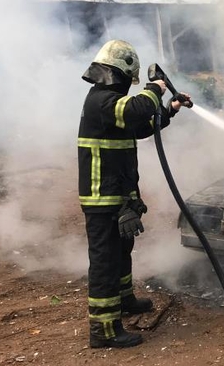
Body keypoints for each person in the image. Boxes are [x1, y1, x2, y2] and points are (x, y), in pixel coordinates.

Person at [78, 40, 192, 348]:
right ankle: (103, 329)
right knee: (104, 260)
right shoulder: (101, 100)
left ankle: (124, 299)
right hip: (103, 200)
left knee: (121, 252)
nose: (131, 85)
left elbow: (140, 127)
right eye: (131, 79)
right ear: (119, 73)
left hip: (119, 197)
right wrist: (157, 88)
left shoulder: (113, 106)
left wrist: (170, 109)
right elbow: (135, 109)